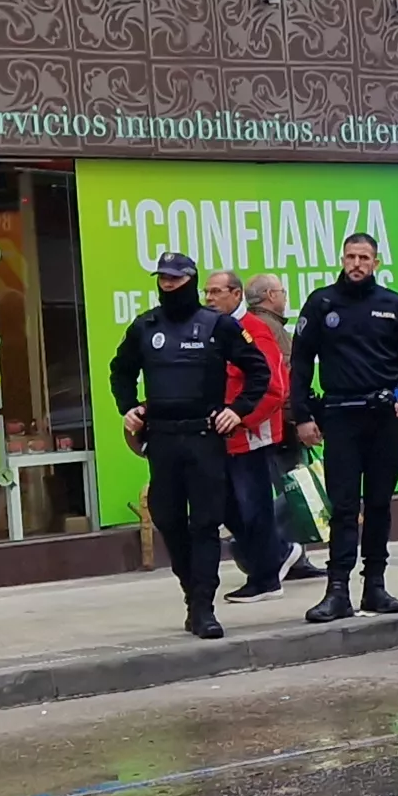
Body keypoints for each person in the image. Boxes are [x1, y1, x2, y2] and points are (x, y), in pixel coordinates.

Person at [111, 251, 264, 638]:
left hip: (204, 438)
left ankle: (203, 607)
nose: (168, 285)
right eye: (162, 278)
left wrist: (238, 410)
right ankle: (189, 591)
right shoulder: (145, 326)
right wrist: (128, 408)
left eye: (175, 278)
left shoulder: (217, 325)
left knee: (206, 524)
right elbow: (121, 370)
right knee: (169, 521)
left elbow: (258, 370)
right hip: (161, 439)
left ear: (190, 280)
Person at [290, 232, 398, 622]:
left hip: (384, 419)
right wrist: (302, 416)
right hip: (340, 418)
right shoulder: (322, 302)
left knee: (379, 504)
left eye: (365, 257)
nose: (357, 264)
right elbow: (299, 362)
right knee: (344, 507)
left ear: (376, 262)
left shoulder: (393, 306)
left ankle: (375, 586)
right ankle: (337, 590)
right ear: (342, 259)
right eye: (351, 256)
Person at [205, 269, 293, 601]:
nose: (210, 299)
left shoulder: (254, 330)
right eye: (207, 293)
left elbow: (274, 387)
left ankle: (266, 577)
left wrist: (242, 419)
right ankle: (277, 556)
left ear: (237, 294)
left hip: (252, 434)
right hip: (221, 438)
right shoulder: (212, 330)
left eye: (216, 292)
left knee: (254, 507)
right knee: (229, 509)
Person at [250, 274, 320, 585]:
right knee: (296, 490)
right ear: (269, 295)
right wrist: (299, 418)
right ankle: (284, 552)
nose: (285, 296)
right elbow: (287, 379)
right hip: (282, 423)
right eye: (282, 291)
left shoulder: (254, 325)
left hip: (267, 423)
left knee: (285, 487)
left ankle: (292, 555)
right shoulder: (272, 329)